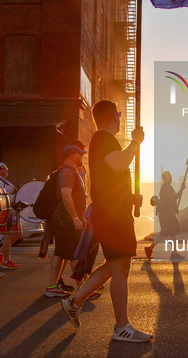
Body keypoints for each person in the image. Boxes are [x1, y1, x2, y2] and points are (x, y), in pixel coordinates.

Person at [62, 100, 151, 342]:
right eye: (119, 115)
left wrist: (130, 196)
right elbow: (119, 163)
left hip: (112, 211)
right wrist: (135, 142)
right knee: (121, 266)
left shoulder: (102, 140)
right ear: (115, 116)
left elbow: (110, 178)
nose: (120, 119)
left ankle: (75, 302)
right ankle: (121, 327)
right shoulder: (104, 139)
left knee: (115, 265)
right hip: (112, 215)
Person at [45, 145, 100, 301]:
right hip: (66, 220)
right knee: (76, 253)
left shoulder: (70, 171)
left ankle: (52, 287)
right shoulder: (68, 172)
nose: (82, 157)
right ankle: (83, 289)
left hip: (64, 219)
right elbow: (66, 196)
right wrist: (75, 218)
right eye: (79, 154)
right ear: (71, 156)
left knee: (60, 253)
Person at [144, 171, 185, 260]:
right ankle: (173, 253)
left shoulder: (165, 187)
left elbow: (169, 201)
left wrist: (174, 209)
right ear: (165, 178)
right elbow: (174, 197)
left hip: (167, 213)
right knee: (170, 232)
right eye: (168, 177)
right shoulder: (167, 187)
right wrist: (181, 189)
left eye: (170, 176)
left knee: (166, 233)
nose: (170, 178)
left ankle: (150, 249)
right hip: (167, 214)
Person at [0, 162, 21, 269]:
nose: (6, 170)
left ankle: (0, 252)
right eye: (3, 168)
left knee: (18, 233)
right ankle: (7, 260)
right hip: (8, 211)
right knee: (9, 234)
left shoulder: (4, 181)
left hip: (13, 210)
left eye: (6, 168)